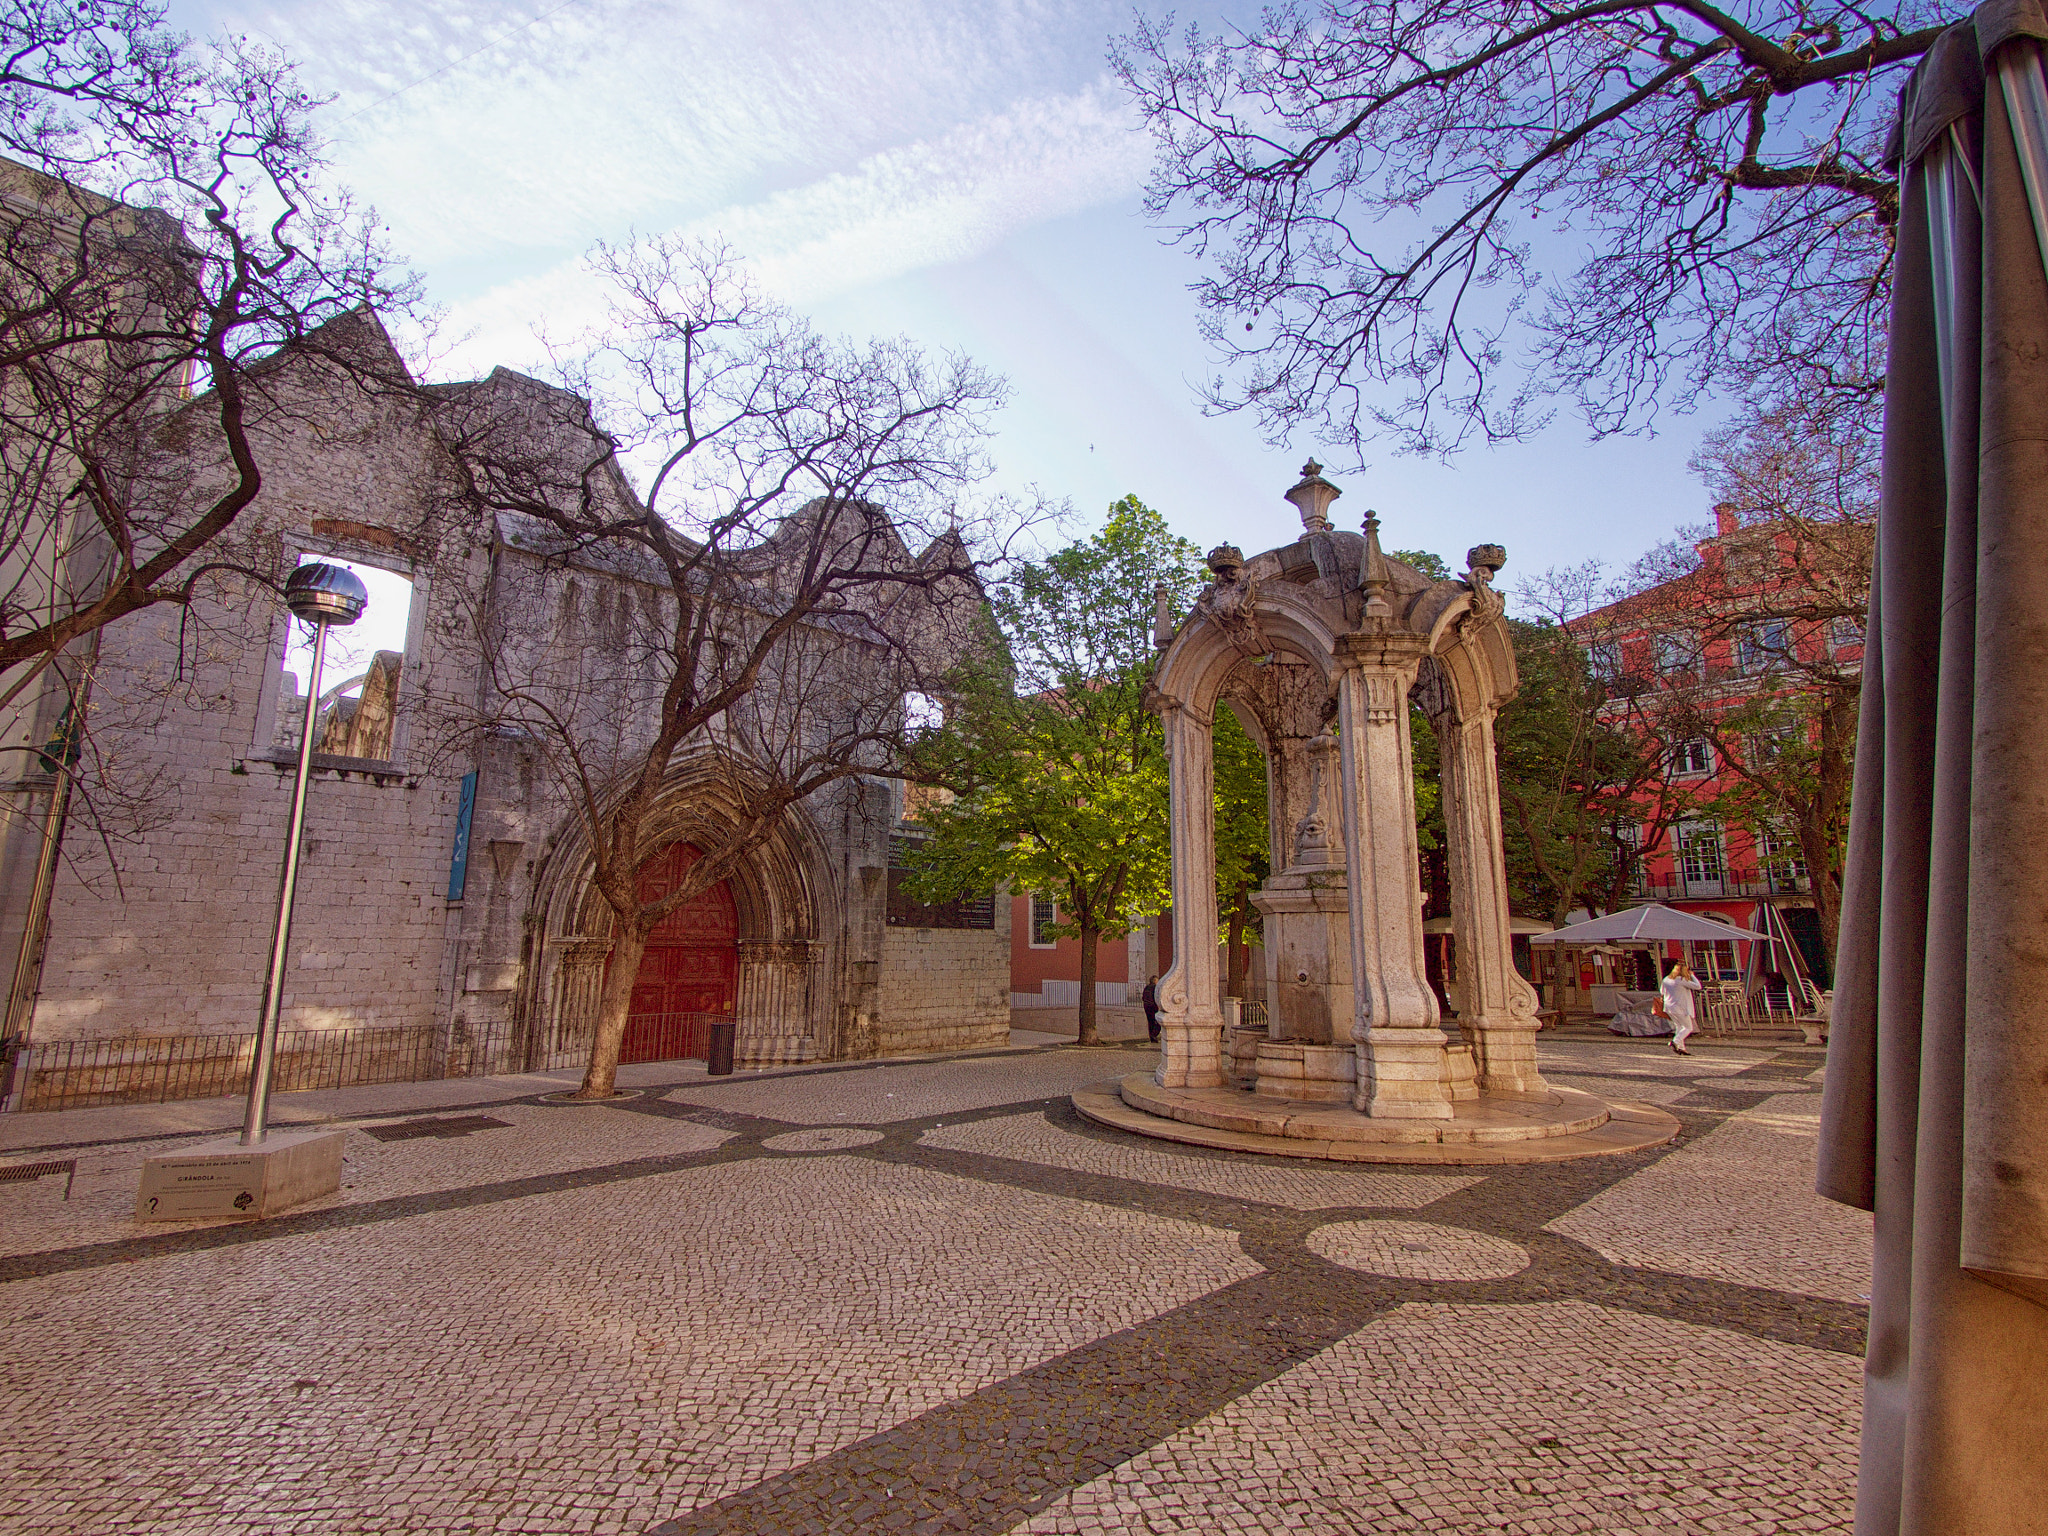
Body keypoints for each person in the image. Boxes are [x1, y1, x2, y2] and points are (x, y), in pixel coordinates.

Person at [1661, 957, 1702, 1054]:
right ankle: (1675, 1041)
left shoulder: (1666, 979)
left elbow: (1662, 991)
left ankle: (1681, 1048)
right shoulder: (1681, 980)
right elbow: (1698, 986)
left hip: (1669, 1006)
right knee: (1688, 1027)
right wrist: (1693, 976)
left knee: (1679, 1027)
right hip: (1680, 1007)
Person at [1142, 974, 1160, 1043]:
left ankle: (1152, 1037)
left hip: (1146, 1006)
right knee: (1158, 1022)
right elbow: (1157, 997)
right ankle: (1154, 1035)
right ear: (1155, 981)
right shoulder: (1155, 987)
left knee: (1150, 1022)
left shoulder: (1146, 987)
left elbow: (1143, 997)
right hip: (1153, 1006)